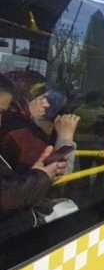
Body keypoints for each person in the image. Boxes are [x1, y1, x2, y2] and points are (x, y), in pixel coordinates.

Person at [0, 74, 69, 242]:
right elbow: (13, 194)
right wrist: (66, 138)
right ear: (20, 98)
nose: (47, 104)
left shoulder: (26, 128)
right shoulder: (20, 134)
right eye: (40, 98)